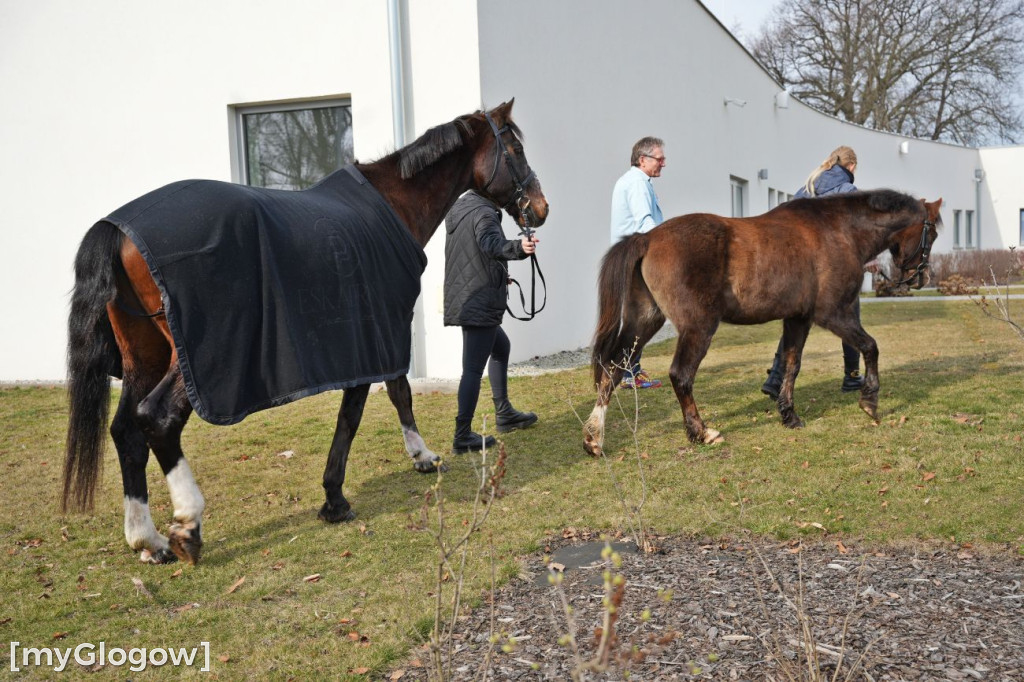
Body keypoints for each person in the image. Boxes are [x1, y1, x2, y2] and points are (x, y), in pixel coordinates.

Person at [761, 145, 866, 399]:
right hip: (833, 270)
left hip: (803, 270)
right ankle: (851, 377)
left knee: (797, 319)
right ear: (851, 167)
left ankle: (776, 379)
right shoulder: (848, 191)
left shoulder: (807, 187)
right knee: (851, 317)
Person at [443, 191, 539, 454]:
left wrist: (498, 272)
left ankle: (504, 412)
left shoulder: (459, 208)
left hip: (467, 295)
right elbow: (489, 244)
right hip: (479, 300)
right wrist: (520, 248)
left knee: (501, 347)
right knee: (472, 369)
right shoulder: (484, 212)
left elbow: (471, 254)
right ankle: (462, 435)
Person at [609, 136, 667, 389]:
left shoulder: (636, 181)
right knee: (641, 316)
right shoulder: (637, 183)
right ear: (643, 159)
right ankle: (629, 373)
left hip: (630, 256)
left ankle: (629, 370)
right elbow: (645, 223)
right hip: (636, 257)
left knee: (638, 315)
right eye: (660, 158)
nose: (663, 163)